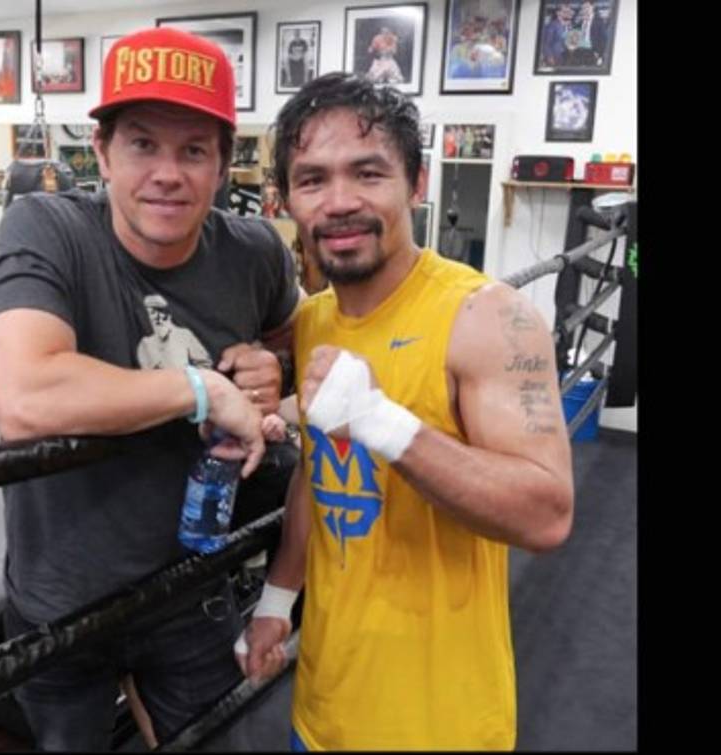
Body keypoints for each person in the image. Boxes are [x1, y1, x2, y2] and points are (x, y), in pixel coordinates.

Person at [0, 27, 304, 751]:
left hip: (192, 590)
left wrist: (270, 371)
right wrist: (203, 391)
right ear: (101, 152)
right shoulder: (46, 229)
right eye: (142, 144)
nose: (167, 173)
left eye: (193, 151)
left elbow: (300, 346)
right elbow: (26, 394)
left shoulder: (253, 253)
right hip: (62, 601)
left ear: (223, 166)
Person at [235, 72, 575, 750]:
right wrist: (278, 597)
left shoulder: (484, 316)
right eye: (312, 180)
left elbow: (547, 511)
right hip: (323, 706)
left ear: (414, 183)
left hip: (436, 725)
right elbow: (318, 469)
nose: (339, 202)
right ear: (287, 199)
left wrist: (382, 420)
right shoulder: (315, 320)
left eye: (368, 173)